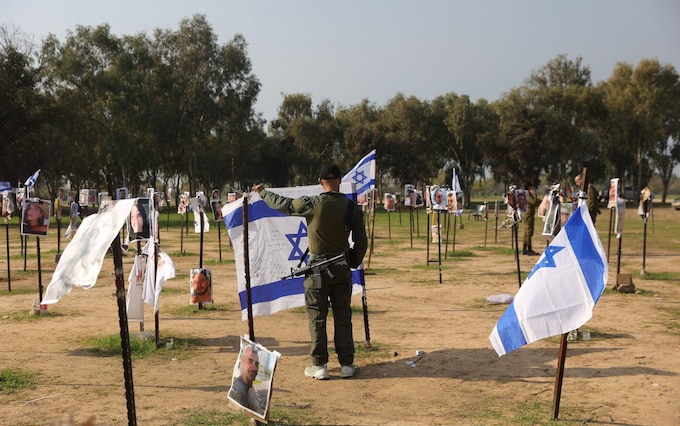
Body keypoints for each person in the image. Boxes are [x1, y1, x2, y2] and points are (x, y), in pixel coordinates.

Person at [253, 163, 368, 380]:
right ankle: (346, 365)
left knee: (317, 317)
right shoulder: (352, 208)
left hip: (316, 273)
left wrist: (262, 192)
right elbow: (361, 242)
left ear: (320, 182)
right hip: (342, 270)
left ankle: (320, 365)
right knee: (343, 315)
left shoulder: (312, 204)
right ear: (340, 180)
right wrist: (351, 262)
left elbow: (283, 204)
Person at [228, 344, 263, 413]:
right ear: (242, 361)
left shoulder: (249, 387)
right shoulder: (238, 392)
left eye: (256, 364)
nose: (254, 368)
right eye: (250, 361)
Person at [522, 183, 538, 256]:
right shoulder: (527, 196)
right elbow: (534, 202)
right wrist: (534, 194)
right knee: (528, 232)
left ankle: (524, 248)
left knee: (526, 232)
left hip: (527, 214)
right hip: (529, 215)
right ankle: (529, 249)